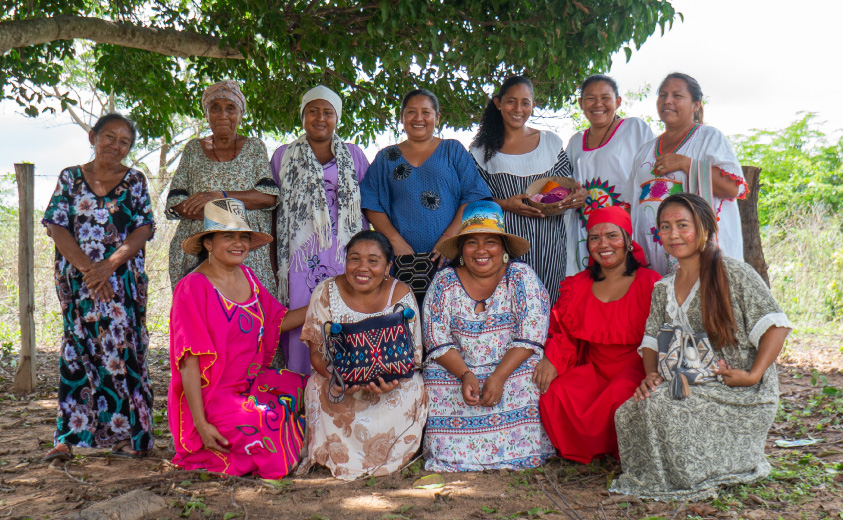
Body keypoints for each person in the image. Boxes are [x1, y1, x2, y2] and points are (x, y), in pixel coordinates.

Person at [611, 193, 792, 501]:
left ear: (706, 229)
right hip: (690, 379)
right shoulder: (663, 287)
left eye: (683, 225)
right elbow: (653, 340)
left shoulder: (734, 272)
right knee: (629, 411)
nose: (673, 234)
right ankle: (661, 477)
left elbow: (776, 326)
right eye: (665, 227)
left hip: (738, 387)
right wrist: (651, 375)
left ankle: (702, 473)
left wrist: (752, 375)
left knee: (664, 406)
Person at [42, 113, 155, 461]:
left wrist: (110, 266)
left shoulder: (135, 181)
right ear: (93, 136)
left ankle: (129, 438)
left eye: (124, 142)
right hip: (79, 283)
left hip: (122, 285)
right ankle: (69, 438)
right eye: (109, 137)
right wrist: (91, 271)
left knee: (122, 353)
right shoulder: (70, 177)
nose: (115, 146)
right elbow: (57, 227)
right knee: (77, 351)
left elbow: (144, 229)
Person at [168, 198, 307, 479]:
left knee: (308, 389)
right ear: (208, 242)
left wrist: (328, 299)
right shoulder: (193, 288)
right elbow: (188, 363)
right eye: (228, 236)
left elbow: (276, 323)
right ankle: (218, 445)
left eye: (243, 236)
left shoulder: (249, 277)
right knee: (268, 422)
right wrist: (201, 423)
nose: (239, 243)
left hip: (252, 384)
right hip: (213, 398)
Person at [423, 200, 555, 472]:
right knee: (434, 376)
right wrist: (466, 374)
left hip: (511, 367)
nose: (481, 250)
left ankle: (519, 452)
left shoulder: (521, 277)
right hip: (459, 370)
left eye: (491, 242)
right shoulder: (444, 282)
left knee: (532, 373)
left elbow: (531, 335)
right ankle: (453, 455)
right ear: (461, 249)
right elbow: (436, 338)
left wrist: (498, 376)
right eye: (471, 242)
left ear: (504, 248)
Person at [535, 206, 661, 464]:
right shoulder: (577, 284)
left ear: (628, 241)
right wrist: (552, 359)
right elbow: (564, 332)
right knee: (557, 392)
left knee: (621, 397)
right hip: (593, 369)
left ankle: (620, 451)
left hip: (636, 368)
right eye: (594, 238)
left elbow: (663, 336)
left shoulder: (651, 282)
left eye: (612, 236)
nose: (603, 244)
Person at [297, 230, 427, 480]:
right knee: (316, 386)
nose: (362, 268)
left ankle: (389, 458)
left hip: (392, 383)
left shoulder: (401, 294)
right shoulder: (325, 292)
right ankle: (336, 458)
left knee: (412, 389)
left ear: (388, 266)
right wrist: (345, 381)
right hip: (339, 382)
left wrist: (390, 383)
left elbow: (412, 356)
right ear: (345, 261)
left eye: (373, 261)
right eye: (354, 259)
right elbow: (316, 355)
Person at [271, 85, 370, 374]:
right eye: (312, 111)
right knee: (304, 319)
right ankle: (302, 395)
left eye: (328, 112)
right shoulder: (282, 157)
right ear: (303, 116)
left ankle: (348, 384)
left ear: (337, 118)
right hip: (301, 259)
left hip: (345, 253)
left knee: (348, 315)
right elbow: (275, 212)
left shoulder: (354, 155)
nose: (320, 118)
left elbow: (368, 205)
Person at [361, 89, 492, 302]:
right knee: (406, 319)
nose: (419, 118)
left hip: (449, 257)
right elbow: (370, 202)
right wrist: (396, 242)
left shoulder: (453, 150)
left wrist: (449, 239)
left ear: (437, 117)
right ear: (402, 118)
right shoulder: (386, 157)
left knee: (450, 314)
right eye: (411, 112)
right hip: (402, 261)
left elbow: (473, 195)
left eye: (426, 112)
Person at [470, 76, 586, 302]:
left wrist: (578, 195)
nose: (518, 109)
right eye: (511, 101)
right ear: (498, 103)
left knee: (549, 303)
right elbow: (472, 199)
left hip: (550, 242)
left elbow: (565, 186)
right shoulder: (480, 150)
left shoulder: (550, 143)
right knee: (508, 304)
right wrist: (504, 204)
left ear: (533, 105)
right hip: (505, 244)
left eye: (525, 103)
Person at [625, 73, 746, 275]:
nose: (668, 101)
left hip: (700, 254)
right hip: (651, 256)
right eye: (662, 95)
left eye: (677, 95)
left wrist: (686, 164)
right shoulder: (645, 150)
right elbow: (630, 203)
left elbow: (733, 188)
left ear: (696, 105)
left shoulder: (709, 137)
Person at [166, 80, 279, 293]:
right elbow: (176, 203)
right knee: (201, 312)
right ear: (206, 114)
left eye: (230, 108)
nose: (223, 115)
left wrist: (218, 197)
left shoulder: (254, 148)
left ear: (240, 113)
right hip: (199, 249)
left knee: (250, 312)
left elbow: (268, 197)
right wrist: (222, 213)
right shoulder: (193, 149)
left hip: (246, 250)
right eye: (214, 108)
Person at [566, 75, 654, 271]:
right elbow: (566, 185)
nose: (598, 104)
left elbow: (651, 176)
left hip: (627, 225)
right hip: (586, 230)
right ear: (581, 103)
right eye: (590, 98)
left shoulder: (634, 128)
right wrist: (574, 194)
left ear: (618, 101)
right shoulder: (575, 142)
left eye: (605, 97)